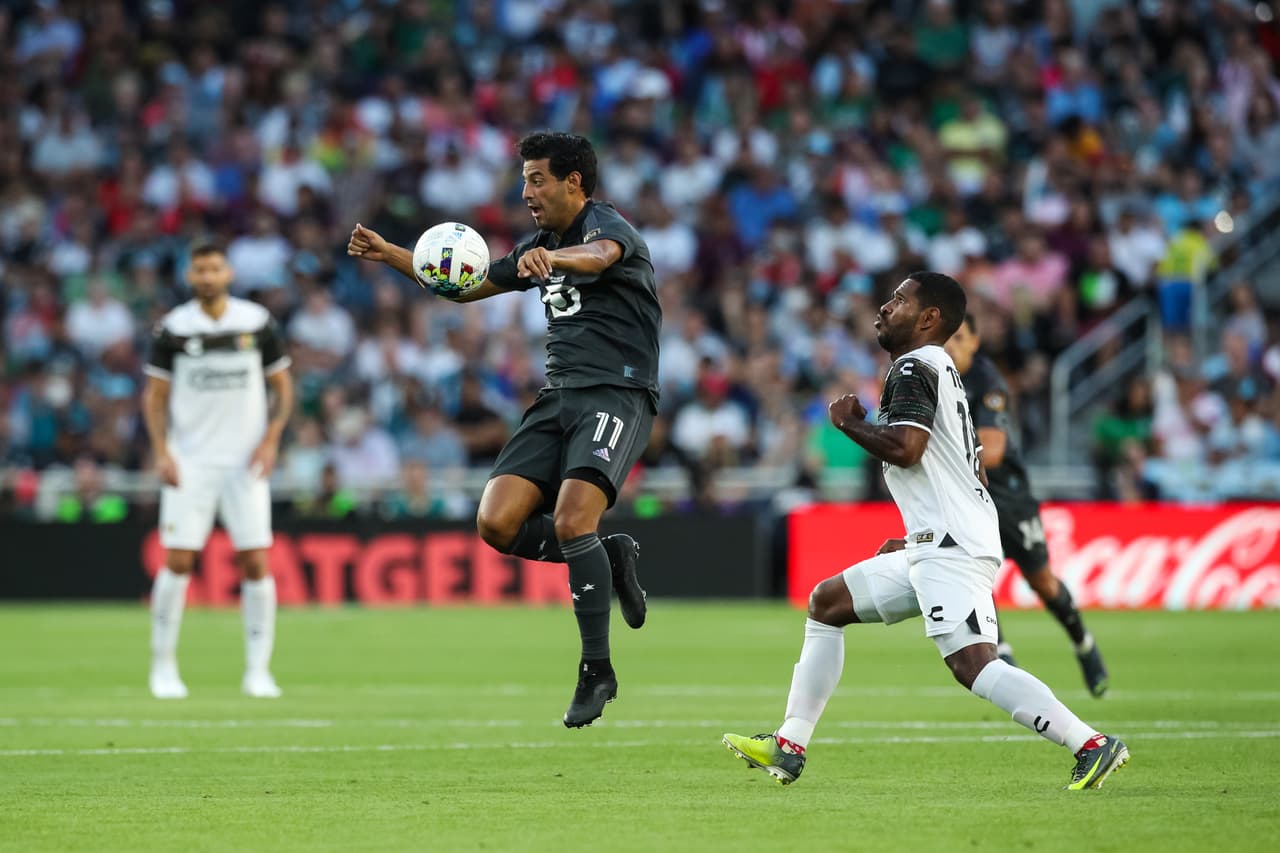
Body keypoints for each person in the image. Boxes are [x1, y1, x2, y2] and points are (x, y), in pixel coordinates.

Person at [723, 273, 1128, 790]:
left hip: (951, 545)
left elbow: (908, 449)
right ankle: (790, 744)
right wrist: (920, 535)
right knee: (827, 603)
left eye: (898, 300)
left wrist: (848, 423)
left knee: (974, 666)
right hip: (941, 541)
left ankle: (1091, 744)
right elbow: (969, 469)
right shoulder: (944, 371)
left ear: (929, 318)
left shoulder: (915, 365)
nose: (884, 308)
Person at [347, 132, 659, 728]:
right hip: (557, 395)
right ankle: (609, 554)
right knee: (496, 522)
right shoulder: (539, 244)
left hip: (617, 392)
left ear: (573, 181)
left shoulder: (609, 228)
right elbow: (467, 286)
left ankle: (597, 670)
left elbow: (597, 260)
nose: (526, 193)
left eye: (537, 179)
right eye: (524, 180)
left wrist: (553, 261)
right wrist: (391, 253)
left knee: (572, 520)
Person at [142, 244, 294, 700]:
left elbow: (282, 387)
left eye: (214, 268)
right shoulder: (173, 328)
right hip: (191, 459)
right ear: (190, 276)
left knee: (255, 560)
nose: (207, 276)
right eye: (199, 269)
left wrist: (271, 439)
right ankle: (163, 666)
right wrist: (162, 451)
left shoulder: (256, 322)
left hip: (245, 460)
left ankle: (258, 671)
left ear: (227, 272)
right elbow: (154, 397)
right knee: (179, 559)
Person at [944, 313, 1109, 696]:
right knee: (970, 573)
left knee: (1042, 582)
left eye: (958, 337)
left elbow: (995, 451)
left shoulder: (988, 382)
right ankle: (1002, 653)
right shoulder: (935, 377)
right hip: (966, 496)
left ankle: (1083, 642)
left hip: (1009, 496)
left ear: (974, 341)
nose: (950, 345)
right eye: (944, 338)